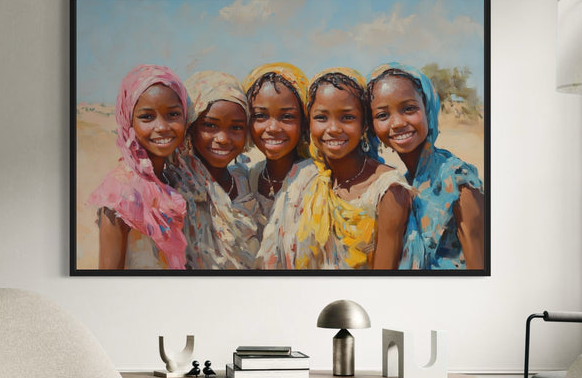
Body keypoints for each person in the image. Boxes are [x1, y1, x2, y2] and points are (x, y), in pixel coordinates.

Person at [264, 67, 410, 269]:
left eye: (347, 117)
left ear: (365, 124)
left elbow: (382, 281)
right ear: (309, 124)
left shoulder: (389, 190)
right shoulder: (301, 177)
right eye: (321, 118)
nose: (333, 129)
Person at [366, 61, 485, 270]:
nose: (397, 123)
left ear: (428, 108)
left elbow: (481, 268)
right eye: (383, 115)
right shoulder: (401, 182)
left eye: (409, 109)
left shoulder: (458, 181)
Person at [87, 64, 188, 270]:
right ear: (128, 121)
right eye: (147, 117)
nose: (161, 127)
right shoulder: (120, 194)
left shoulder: (175, 181)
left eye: (173, 114)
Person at [170, 69, 262, 269]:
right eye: (210, 126)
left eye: (236, 127)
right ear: (190, 127)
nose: (223, 139)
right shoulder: (175, 187)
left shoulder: (246, 182)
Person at [237, 62, 316, 224]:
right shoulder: (248, 179)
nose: (272, 128)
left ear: (304, 123)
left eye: (287, 116)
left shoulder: (316, 181)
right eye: (260, 116)